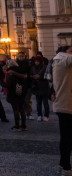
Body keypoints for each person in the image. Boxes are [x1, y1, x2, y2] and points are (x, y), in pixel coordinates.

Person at [51, 45, 72, 174]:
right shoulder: (65, 59)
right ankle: (66, 166)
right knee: (67, 137)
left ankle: (63, 163)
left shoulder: (57, 61)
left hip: (62, 104)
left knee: (66, 136)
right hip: (67, 104)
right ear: (65, 52)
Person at [6, 59, 28, 131]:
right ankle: (23, 125)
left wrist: (2, 84)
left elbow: (8, 85)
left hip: (13, 93)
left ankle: (17, 126)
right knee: (21, 109)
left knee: (15, 110)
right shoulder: (20, 71)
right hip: (21, 93)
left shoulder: (10, 72)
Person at [30, 55, 49, 122]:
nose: (36, 62)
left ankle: (46, 116)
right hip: (37, 88)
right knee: (38, 103)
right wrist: (33, 76)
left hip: (44, 87)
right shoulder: (33, 68)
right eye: (35, 61)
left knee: (45, 103)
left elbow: (47, 76)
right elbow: (30, 75)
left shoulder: (45, 67)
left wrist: (40, 77)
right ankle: (39, 115)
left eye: (38, 61)